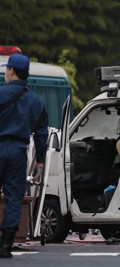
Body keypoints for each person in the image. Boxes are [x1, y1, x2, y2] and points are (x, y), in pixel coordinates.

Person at [0, 54, 48, 258]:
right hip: (18, 152)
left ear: (11, 70)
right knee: (13, 198)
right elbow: (41, 134)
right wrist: (40, 162)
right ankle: (5, 245)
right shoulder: (36, 101)